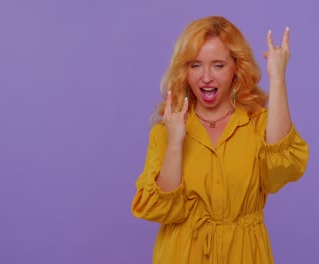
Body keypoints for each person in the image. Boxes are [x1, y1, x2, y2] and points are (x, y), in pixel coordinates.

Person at [131, 15, 309, 263]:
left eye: (218, 65)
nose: (206, 77)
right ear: (184, 70)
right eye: (195, 65)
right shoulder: (165, 131)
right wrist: (174, 142)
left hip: (244, 253)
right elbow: (163, 209)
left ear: (237, 67)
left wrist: (277, 79)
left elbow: (281, 168)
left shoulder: (257, 123)